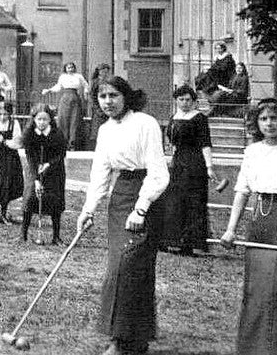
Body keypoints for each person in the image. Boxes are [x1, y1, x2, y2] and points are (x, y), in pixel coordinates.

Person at [77, 75, 169, 355]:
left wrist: (141, 208)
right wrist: (88, 209)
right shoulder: (105, 130)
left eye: (113, 95)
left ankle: (120, 341)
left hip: (146, 199)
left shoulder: (145, 123)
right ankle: (135, 339)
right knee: (121, 269)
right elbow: (100, 174)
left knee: (129, 270)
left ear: (126, 96)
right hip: (120, 199)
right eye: (103, 97)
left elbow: (158, 172)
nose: (108, 102)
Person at [219, 97, 277, 355]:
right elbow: (241, 190)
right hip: (259, 222)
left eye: (274, 118)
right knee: (255, 292)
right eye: (263, 119)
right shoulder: (252, 151)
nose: (269, 123)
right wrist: (230, 229)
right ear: (256, 123)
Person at [160, 85, 215, 256]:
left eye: (188, 100)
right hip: (178, 163)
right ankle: (173, 240)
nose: (184, 103)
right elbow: (172, 142)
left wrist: (209, 167)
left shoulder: (199, 118)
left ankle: (192, 243)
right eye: (181, 99)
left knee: (194, 202)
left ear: (193, 101)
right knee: (175, 201)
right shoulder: (174, 117)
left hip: (195, 164)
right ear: (176, 100)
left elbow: (205, 143)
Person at [11, 104, 67, 244]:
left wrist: (49, 164)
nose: (42, 122)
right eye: (39, 119)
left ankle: (56, 237)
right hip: (35, 170)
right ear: (34, 119)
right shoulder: (29, 134)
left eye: (45, 119)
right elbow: (30, 156)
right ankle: (22, 235)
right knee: (30, 199)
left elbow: (61, 154)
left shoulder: (57, 134)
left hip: (55, 172)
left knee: (55, 202)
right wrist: (36, 178)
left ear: (50, 120)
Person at [45, 63, 87, 150]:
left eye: (72, 67)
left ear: (74, 68)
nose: (70, 69)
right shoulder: (62, 77)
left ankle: (72, 144)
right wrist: (49, 90)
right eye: (68, 67)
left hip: (75, 98)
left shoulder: (79, 76)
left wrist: (86, 94)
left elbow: (86, 85)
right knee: (63, 120)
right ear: (65, 68)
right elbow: (58, 87)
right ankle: (63, 143)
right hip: (65, 98)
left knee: (74, 121)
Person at [86, 64, 112, 148]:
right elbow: (92, 96)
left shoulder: (109, 82)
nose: (105, 73)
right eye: (103, 71)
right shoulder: (95, 82)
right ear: (99, 72)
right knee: (97, 129)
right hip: (98, 109)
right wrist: (97, 108)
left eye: (107, 71)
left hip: (107, 108)